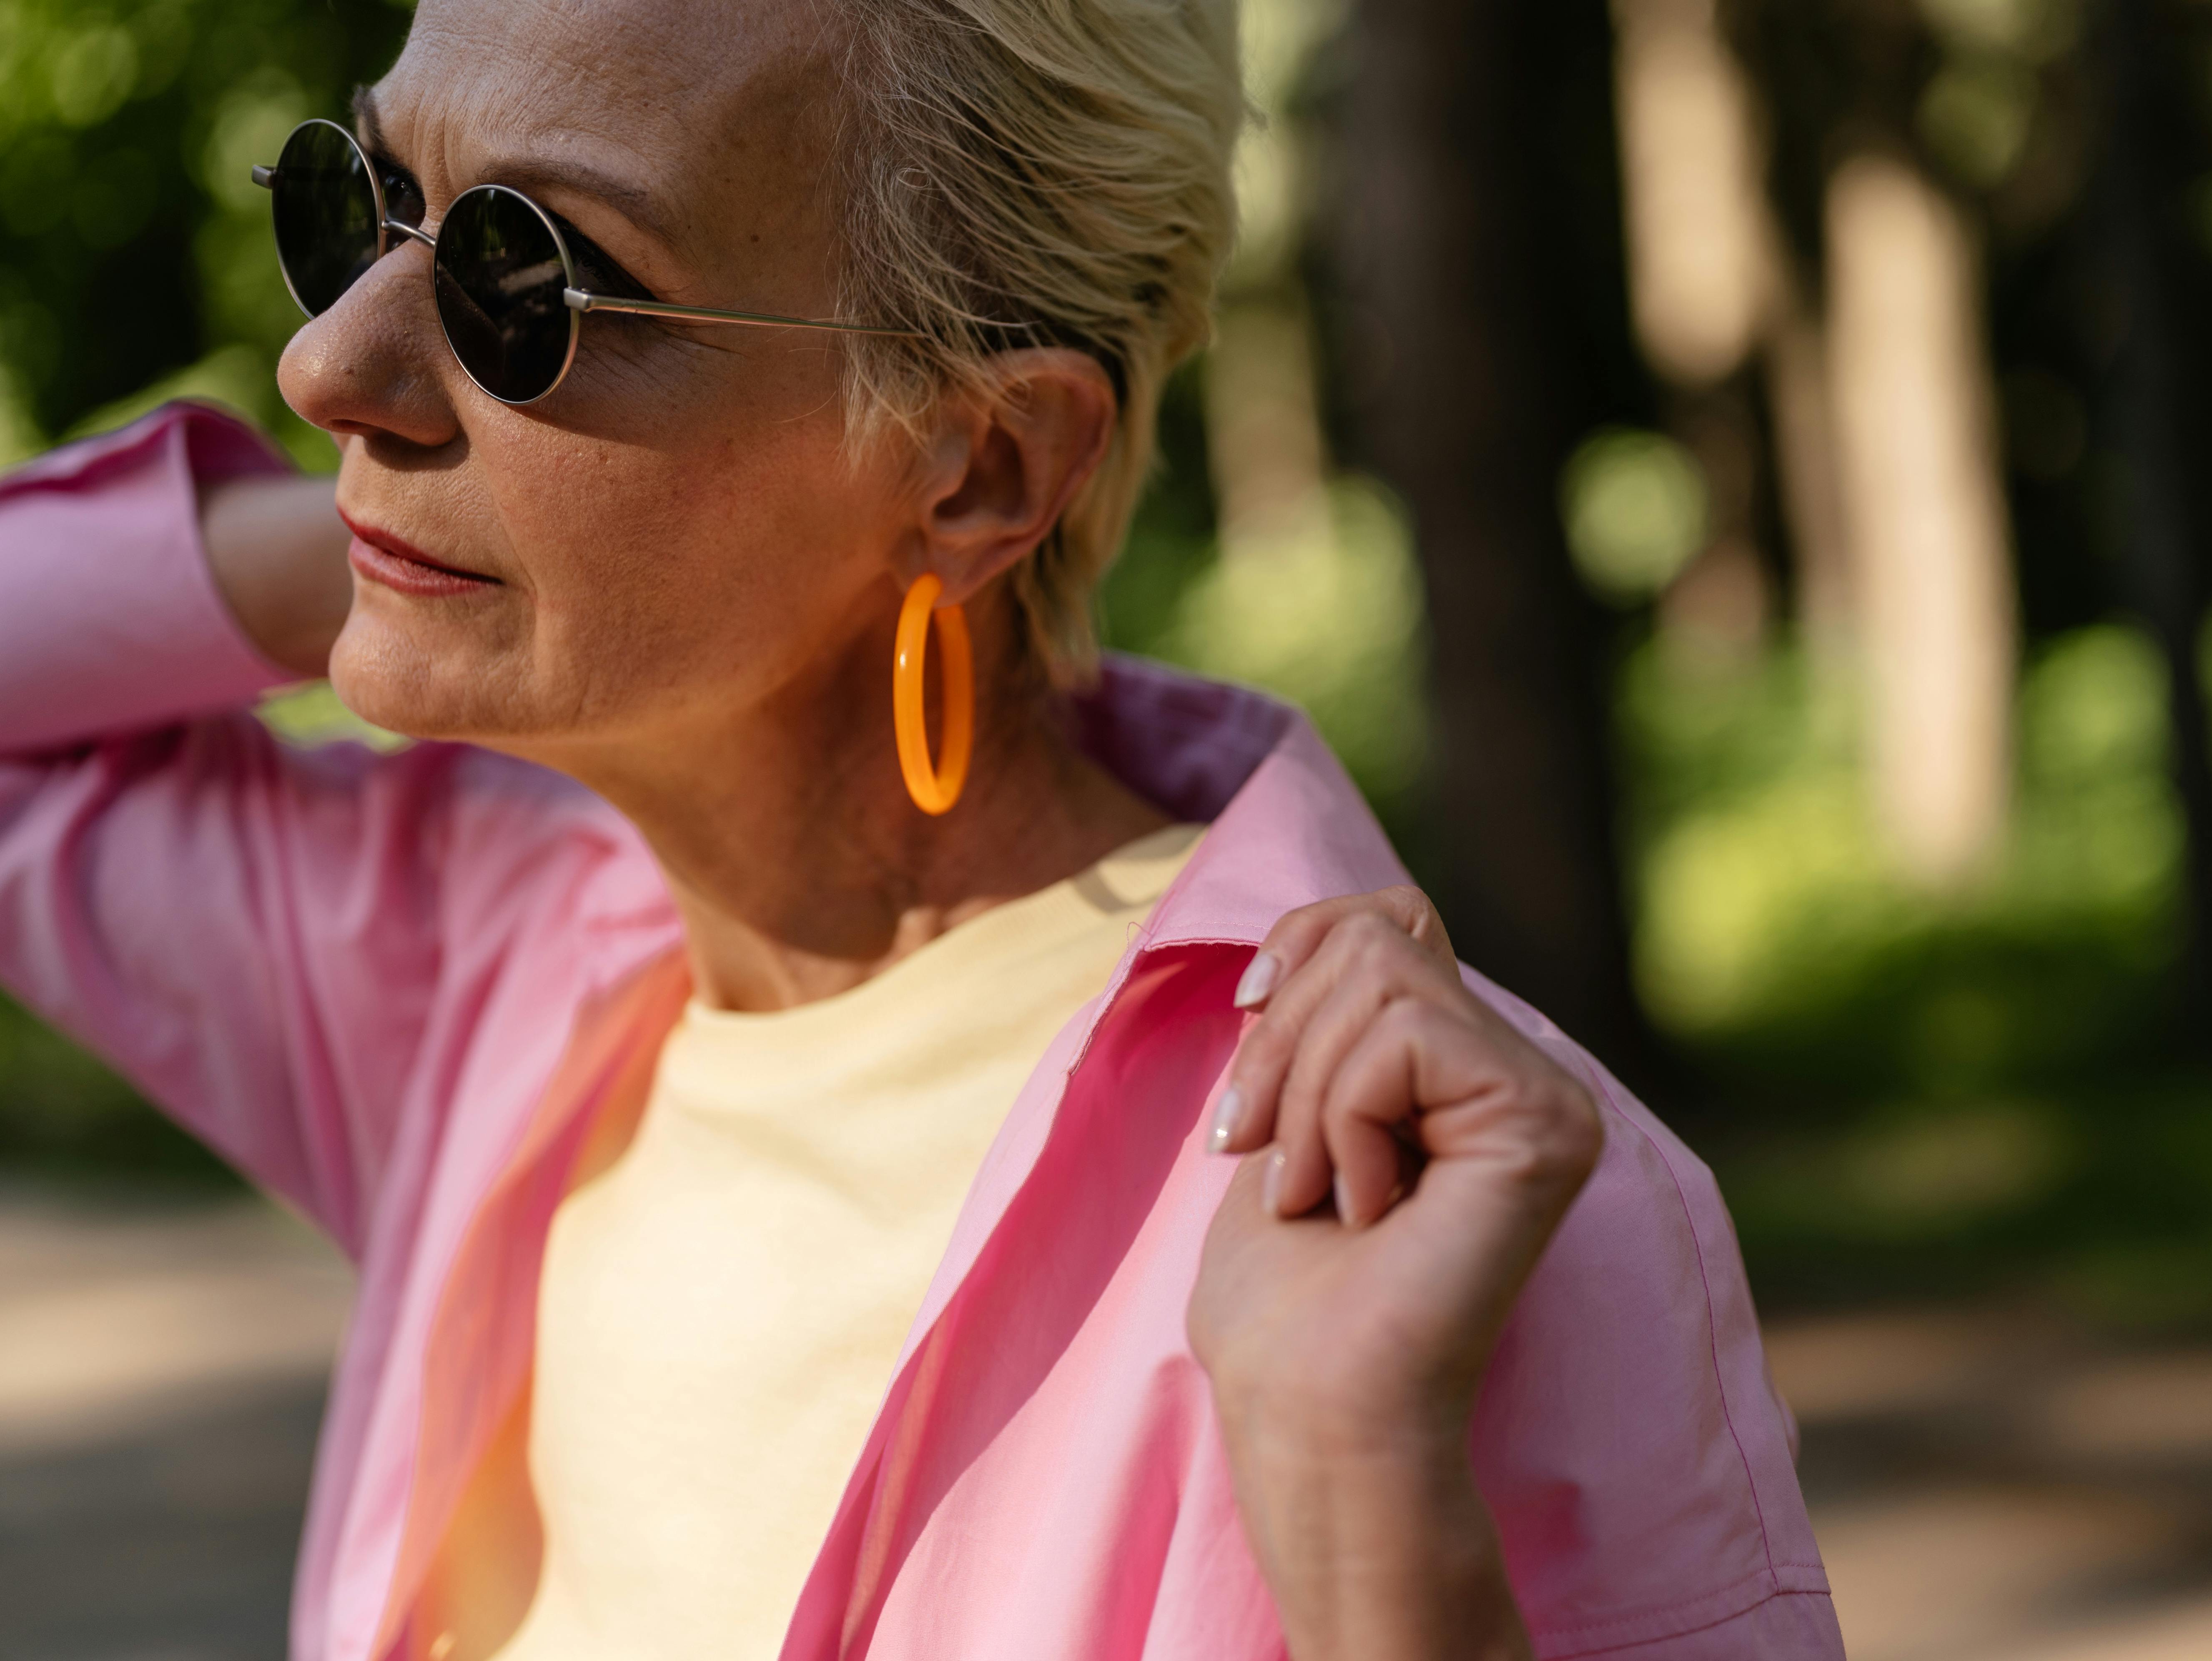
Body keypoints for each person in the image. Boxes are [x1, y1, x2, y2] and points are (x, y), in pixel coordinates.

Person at [0, 0, 1841, 1657]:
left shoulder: (1454, 1199)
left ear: (977, 467)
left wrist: (1369, 1527)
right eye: (366, 200)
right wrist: (386, 546)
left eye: (528, 280)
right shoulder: (474, 956)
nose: (327, 363)